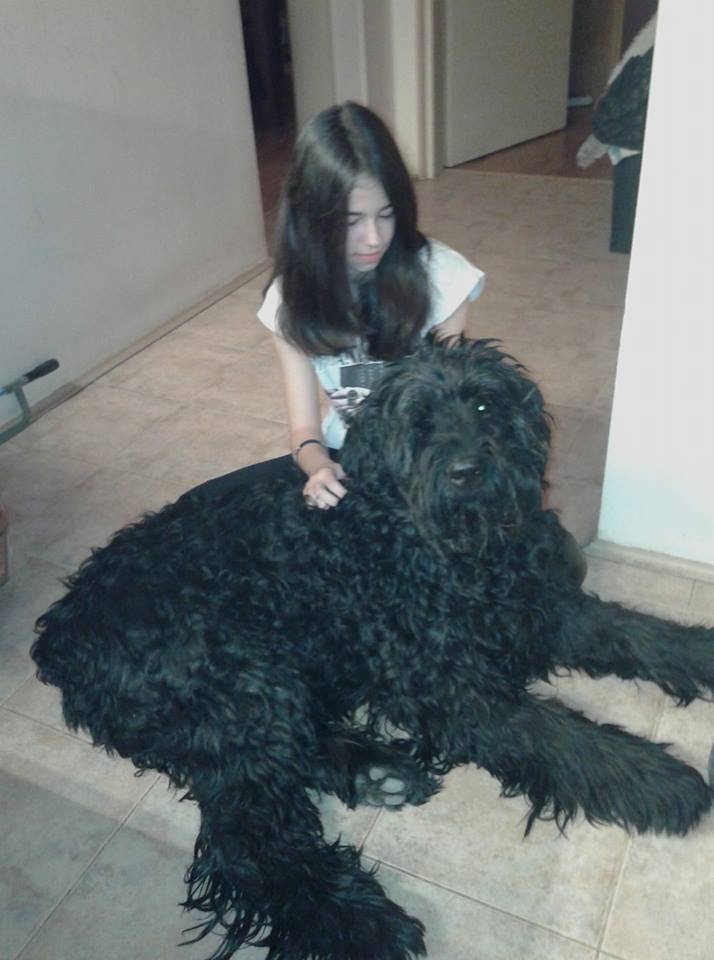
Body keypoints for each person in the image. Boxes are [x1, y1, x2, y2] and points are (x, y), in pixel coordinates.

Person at [191, 101, 484, 507]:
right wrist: (320, 468)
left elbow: (453, 410)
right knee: (210, 508)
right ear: (312, 218)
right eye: (351, 221)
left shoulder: (443, 278)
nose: (374, 239)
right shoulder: (289, 301)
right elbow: (305, 432)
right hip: (346, 455)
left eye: (386, 215)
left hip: (427, 461)